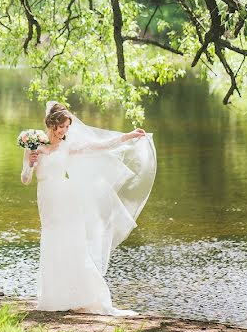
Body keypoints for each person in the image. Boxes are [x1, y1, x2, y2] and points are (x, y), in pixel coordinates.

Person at [20, 101, 156, 315]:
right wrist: (30, 164)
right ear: (51, 125)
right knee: (52, 240)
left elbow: (100, 146)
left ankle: (80, 296)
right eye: (61, 126)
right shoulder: (34, 146)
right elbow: (25, 179)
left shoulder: (68, 146)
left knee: (73, 242)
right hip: (47, 199)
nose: (65, 131)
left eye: (67, 127)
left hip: (67, 198)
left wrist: (128, 136)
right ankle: (54, 297)